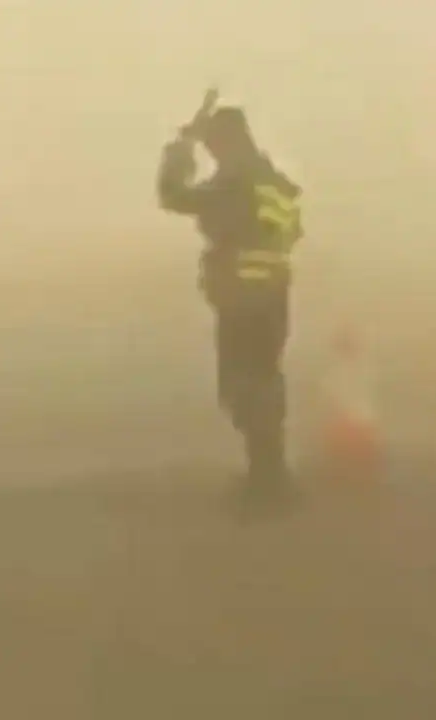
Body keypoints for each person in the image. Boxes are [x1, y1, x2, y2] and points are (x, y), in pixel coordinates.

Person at [157, 90, 304, 506]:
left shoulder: (234, 183)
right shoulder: (274, 182)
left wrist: (181, 147)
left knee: (243, 388)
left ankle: (266, 487)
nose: (212, 152)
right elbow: (291, 232)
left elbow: (173, 195)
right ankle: (271, 476)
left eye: (213, 144)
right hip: (273, 295)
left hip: (242, 298)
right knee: (265, 383)